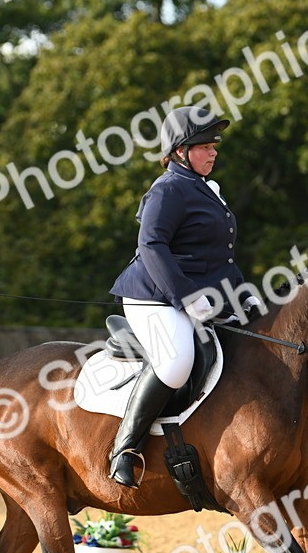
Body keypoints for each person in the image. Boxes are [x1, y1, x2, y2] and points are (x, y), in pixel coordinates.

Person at [107, 105, 260, 488]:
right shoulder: (168, 189)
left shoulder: (205, 190)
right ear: (180, 151)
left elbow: (219, 257)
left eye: (214, 146)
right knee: (177, 361)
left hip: (203, 295)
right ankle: (125, 448)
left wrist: (244, 297)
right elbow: (152, 245)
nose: (213, 152)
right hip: (155, 296)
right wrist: (186, 298)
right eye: (205, 146)